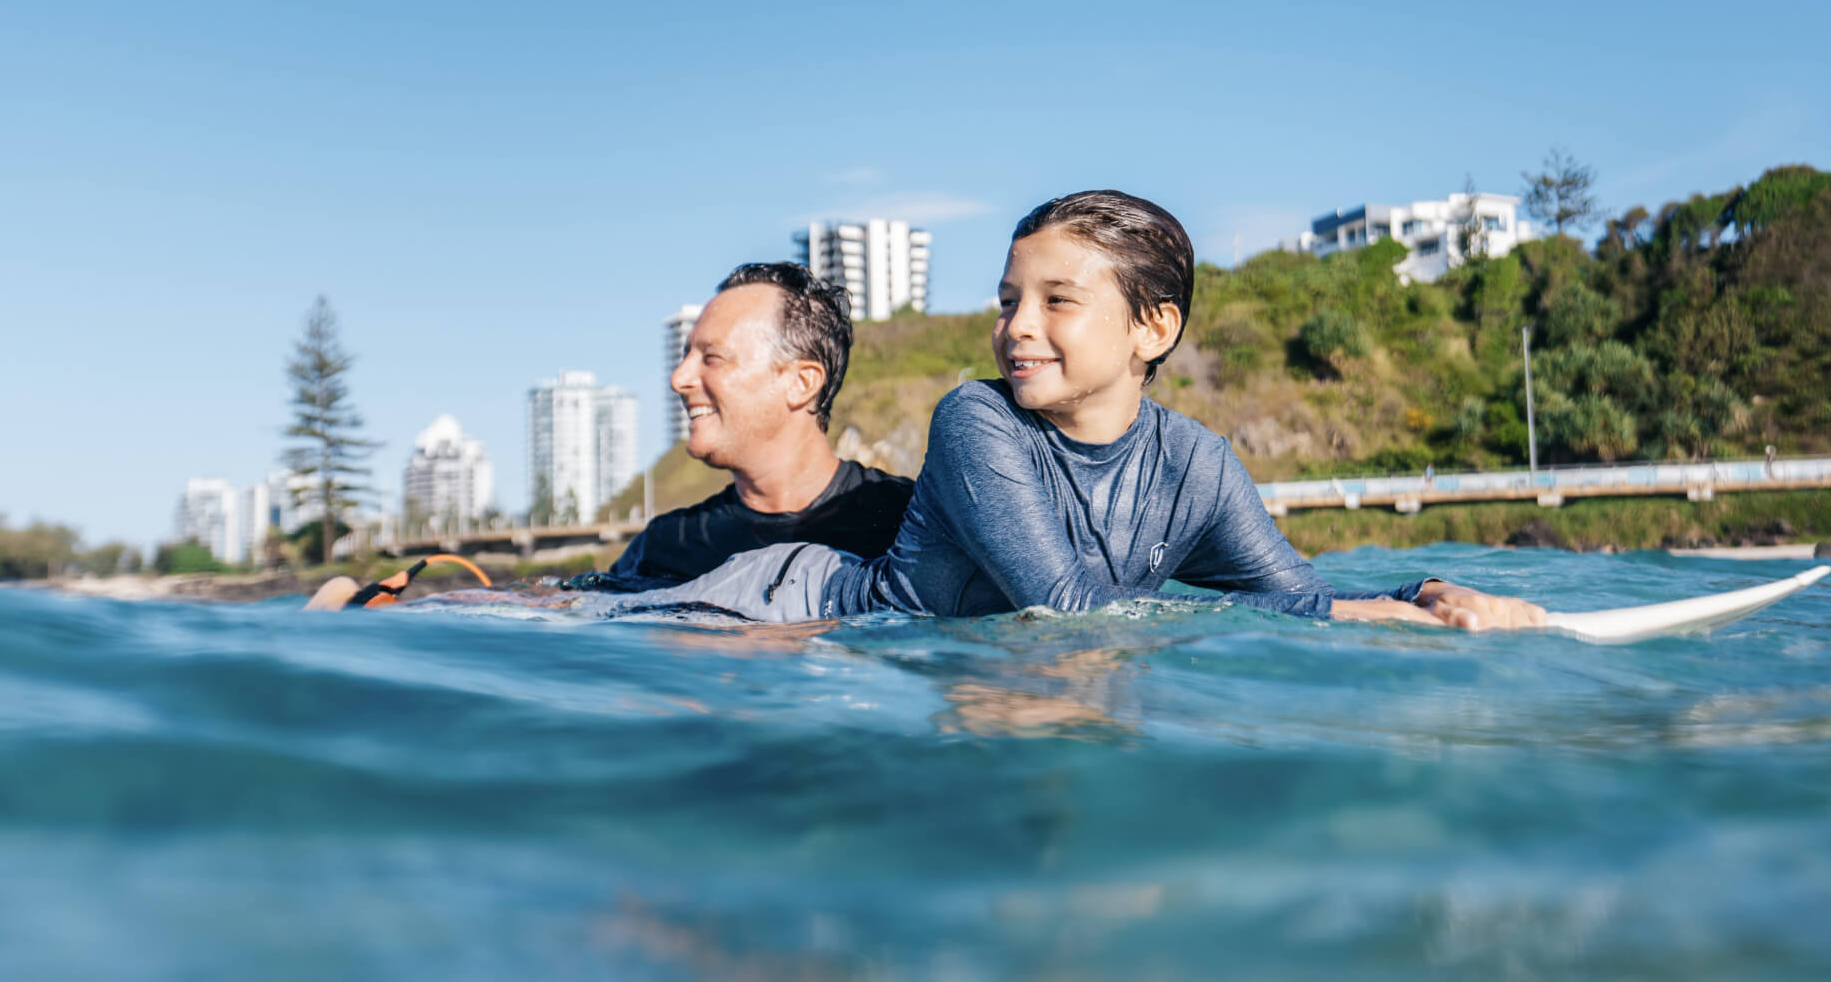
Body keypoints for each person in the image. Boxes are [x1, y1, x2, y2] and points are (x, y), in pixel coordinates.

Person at [609, 190, 1547, 631]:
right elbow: (1066, 609)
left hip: (892, 644)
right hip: (781, 603)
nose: (1018, 327)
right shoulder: (977, 422)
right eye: (1010, 299)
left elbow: (1291, 596)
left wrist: (1422, 597)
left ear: (1153, 327)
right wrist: (1376, 622)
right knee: (583, 621)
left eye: (1057, 301)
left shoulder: (1197, 465)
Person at [306, 262, 913, 610]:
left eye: (712, 358)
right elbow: (562, 605)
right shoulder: (667, 542)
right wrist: (390, 608)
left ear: (800, 383)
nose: (679, 379)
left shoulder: (908, 521)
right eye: (683, 356)